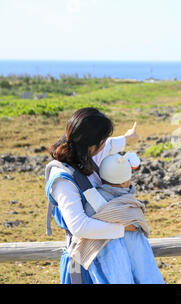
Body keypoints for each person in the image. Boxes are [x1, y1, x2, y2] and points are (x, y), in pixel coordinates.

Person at [44, 107, 161, 284]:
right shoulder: (63, 180)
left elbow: (111, 145)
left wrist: (128, 137)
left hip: (111, 253)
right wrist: (122, 228)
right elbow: (79, 226)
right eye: (103, 140)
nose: (106, 145)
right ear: (91, 144)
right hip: (84, 259)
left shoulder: (87, 156)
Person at [71, 152, 165, 284]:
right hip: (137, 253)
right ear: (125, 182)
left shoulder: (92, 202)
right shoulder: (129, 203)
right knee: (146, 274)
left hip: (106, 255)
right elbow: (135, 225)